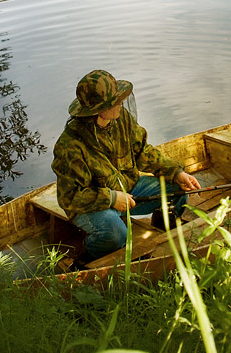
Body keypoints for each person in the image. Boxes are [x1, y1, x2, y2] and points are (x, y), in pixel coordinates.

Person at [52, 69, 203, 261]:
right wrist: (112, 198)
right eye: (115, 100)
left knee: (177, 191)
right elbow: (70, 198)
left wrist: (176, 172)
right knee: (115, 234)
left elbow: (143, 152)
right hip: (91, 205)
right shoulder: (69, 146)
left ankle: (162, 234)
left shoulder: (121, 118)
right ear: (99, 110)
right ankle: (85, 258)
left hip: (129, 189)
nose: (122, 102)